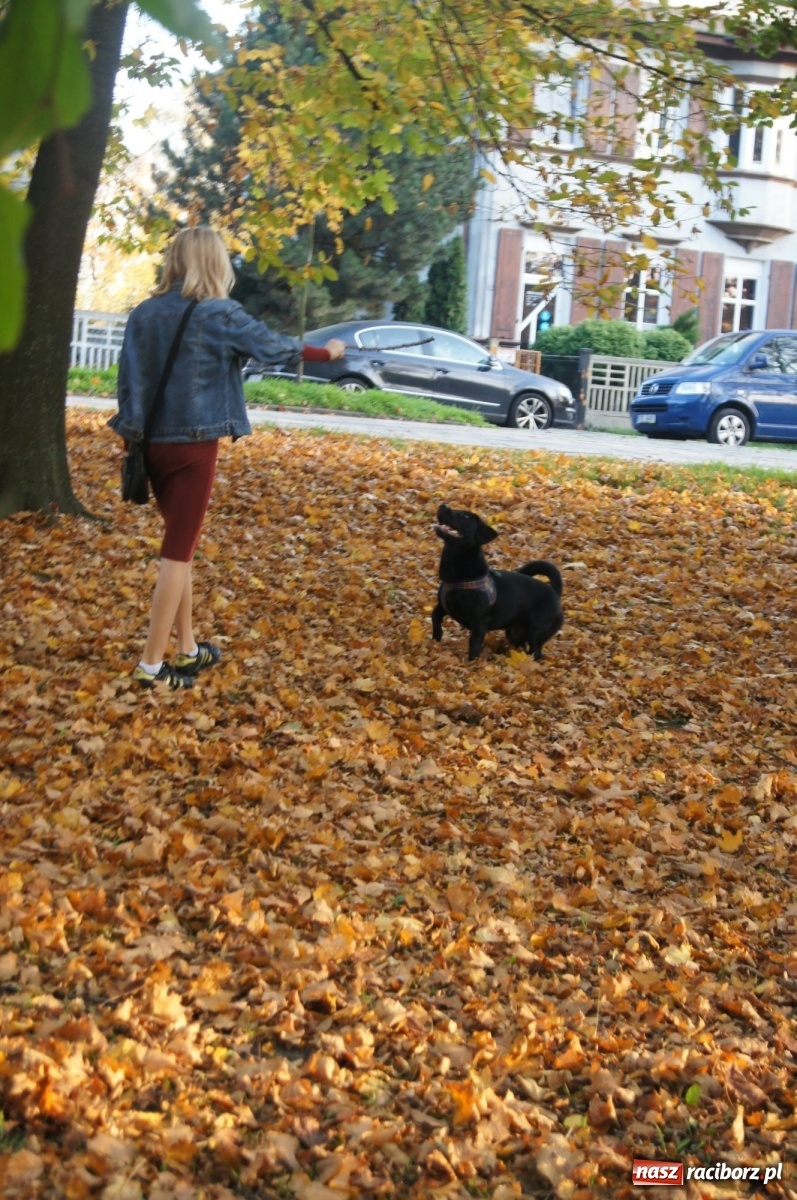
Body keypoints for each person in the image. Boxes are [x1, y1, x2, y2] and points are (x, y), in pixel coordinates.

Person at [109, 225, 345, 689]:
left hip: (149, 445)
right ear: (216, 263)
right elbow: (273, 347)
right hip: (194, 448)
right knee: (176, 553)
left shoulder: (143, 314)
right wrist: (326, 351)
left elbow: (126, 382)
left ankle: (188, 648)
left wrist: (130, 438)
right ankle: (151, 668)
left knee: (183, 546)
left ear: (175, 261)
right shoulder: (220, 314)